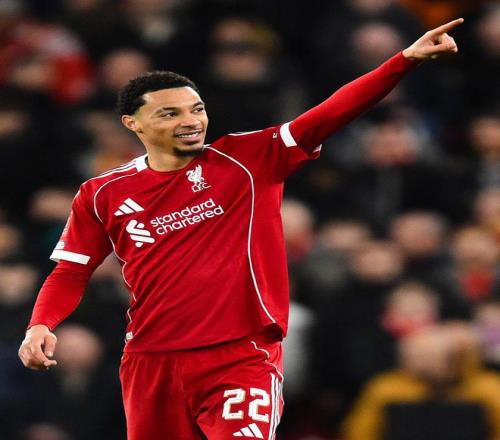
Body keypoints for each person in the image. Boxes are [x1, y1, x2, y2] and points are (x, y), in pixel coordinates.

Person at [18, 18, 464, 440]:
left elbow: (330, 114)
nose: (190, 121)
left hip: (239, 355)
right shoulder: (102, 193)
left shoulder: (249, 159)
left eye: (197, 109)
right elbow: (71, 271)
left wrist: (403, 60)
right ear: (132, 124)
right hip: (150, 360)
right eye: (170, 113)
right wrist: (40, 324)